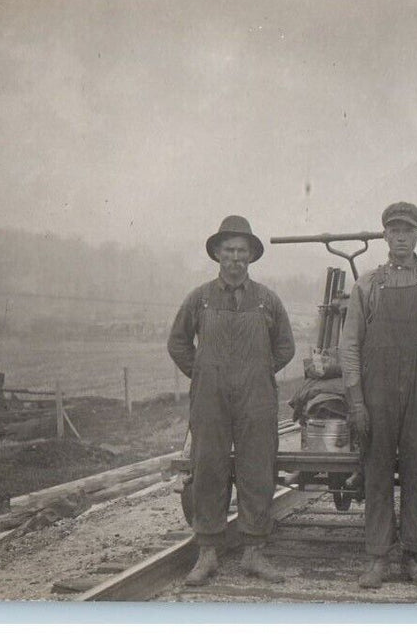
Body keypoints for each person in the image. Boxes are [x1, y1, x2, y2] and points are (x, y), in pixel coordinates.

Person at [167, 215, 295, 586]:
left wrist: (259, 371)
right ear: (218, 255)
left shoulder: (268, 300)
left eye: (242, 251)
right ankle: (207, 553)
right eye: (229, 251)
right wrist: (204, 372)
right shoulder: (200, 298)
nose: (236, 258)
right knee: (209, 468)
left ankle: (254, 552)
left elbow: (286, 346)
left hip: (256, 399)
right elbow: (177, 342)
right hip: (210, 399)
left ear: (252, 256)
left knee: (258, 469)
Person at [339, 201, 417, 589]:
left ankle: (416, 556)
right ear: (385, 236)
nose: (401, 236)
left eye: (408, 230)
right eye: (394, 230)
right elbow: (350, 348)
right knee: (375, 473)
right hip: (377, 398)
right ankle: (378, 558)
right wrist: (357, 402)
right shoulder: (367, 285)